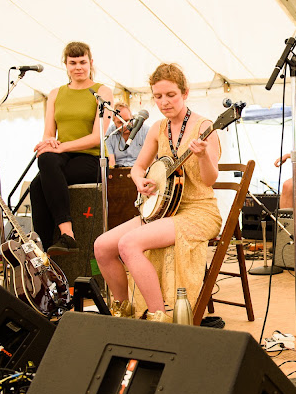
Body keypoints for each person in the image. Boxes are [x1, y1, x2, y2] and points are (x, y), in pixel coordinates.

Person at [94, 63, 222, 322]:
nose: (164, 102)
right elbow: (138, 167)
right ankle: (124, 311)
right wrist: (140, 180)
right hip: (165, 209)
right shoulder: (157, 128)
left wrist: (203, 156)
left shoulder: (204, 127)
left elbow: (209, 180)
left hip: (198, 211)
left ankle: (157, 318)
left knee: (129, 243)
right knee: (102, 246)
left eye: (171, 95)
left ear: (185, 93)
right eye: (158, 96)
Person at [30, 42, 113, 255]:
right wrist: (47, 144)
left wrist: (61, 146)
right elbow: (49, 132)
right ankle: (58, 242)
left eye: (82, 62)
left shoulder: (102, 91)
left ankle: (52, 244)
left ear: (91, 63)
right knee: (45, 159)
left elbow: (97, 137)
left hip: (91, 158)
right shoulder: (56, 93)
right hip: (63, 155)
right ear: (65, 65)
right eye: (72, 63)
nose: (78, 67)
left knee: (38, 185)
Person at [105, 102, 150, 168]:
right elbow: (111, 161)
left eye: (127, 120)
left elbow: (150, 157)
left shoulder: (145, 130)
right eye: (120, 122)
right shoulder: (109, 133)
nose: (125, 125)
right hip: (119, 170)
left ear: (132, 117)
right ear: (114, 122)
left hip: (140, 169)